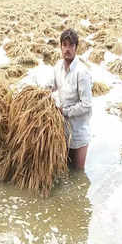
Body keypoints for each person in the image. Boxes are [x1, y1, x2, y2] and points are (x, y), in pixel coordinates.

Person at [52, 29, 92, 170]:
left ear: (76, 47)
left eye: (71, 46)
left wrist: (65, 111)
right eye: (64, 45)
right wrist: (37, 94)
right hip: (62, 131)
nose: (67, 49)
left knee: (78, 173)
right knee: (65, 170)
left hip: (79, 133)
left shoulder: (82, 72)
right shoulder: (58, 67)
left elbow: (86, 105)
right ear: (60, 47)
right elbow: (50, 86)